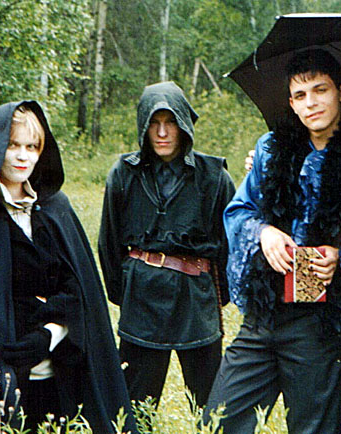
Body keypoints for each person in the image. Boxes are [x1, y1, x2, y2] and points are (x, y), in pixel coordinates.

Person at [0, 101, 137, 433]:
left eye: (32, 147)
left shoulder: (56, 208)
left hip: (58, 378)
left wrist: (49, 335)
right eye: (13, 145)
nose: (23, 156)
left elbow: (79, 294)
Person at [204, 49, 341, 434]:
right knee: (219, 421)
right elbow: (238, 212)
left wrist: (340, 254)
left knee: (314, 428)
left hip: (319, 321)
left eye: (320, 90)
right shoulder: (270, 148)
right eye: (300, 95)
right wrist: (263, 233)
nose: (311, 103)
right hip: (264, 312)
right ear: (291, 104)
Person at [98, 81, 235, 410]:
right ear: (143, 126)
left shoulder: (214, 177)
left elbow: (232, 244)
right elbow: (109, 243)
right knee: (134, 410)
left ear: (183, 124)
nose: (162, 133)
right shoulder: (124, 174)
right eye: (154, 123)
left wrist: (215, 295)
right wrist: (128, 291)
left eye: (170, 122)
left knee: (212, 411)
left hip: (196, 302)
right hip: (142, 302)